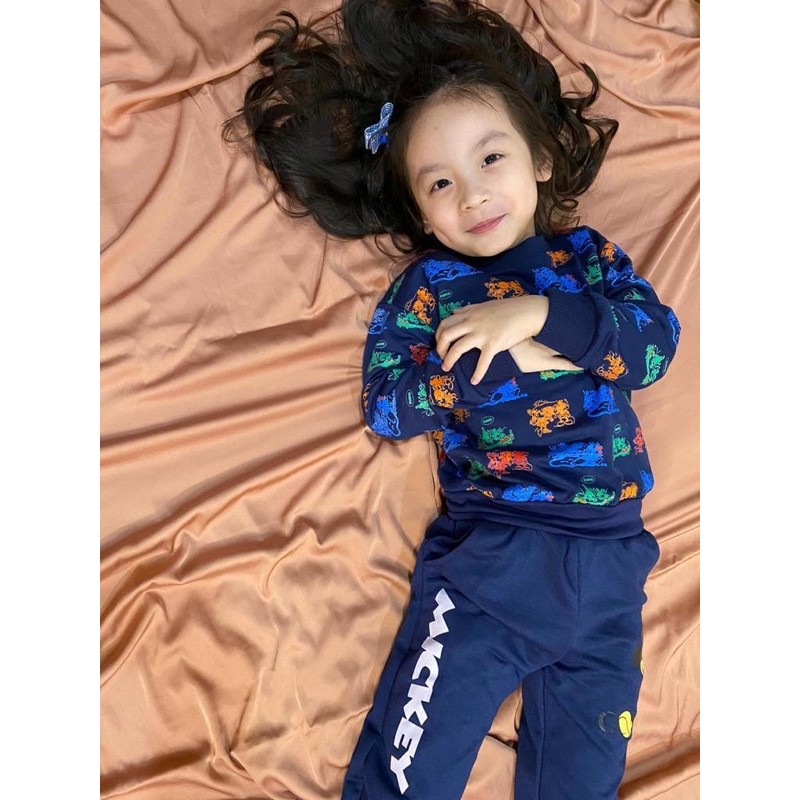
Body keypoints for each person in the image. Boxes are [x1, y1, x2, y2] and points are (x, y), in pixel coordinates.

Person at [223, 2, 681, 798]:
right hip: (495, 556)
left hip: (613, 561)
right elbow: (388, 406)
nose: (472, 195)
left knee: (583, 781)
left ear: (541, 160)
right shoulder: (430, 288)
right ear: (419, 208)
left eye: (491, 158)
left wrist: (540, 316)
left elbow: (653, 346)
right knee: (412, 770)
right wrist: (490, 365)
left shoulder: (586, 260)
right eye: (440, 182)